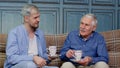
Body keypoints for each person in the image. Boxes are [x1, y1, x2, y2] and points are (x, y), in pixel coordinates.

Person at [4, 4, 56, 68]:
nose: (38, 20)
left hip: (36, 66)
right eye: (35, 17)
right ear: (26, 18)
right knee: (30, 65)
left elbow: (43, 57)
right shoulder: (14, 33)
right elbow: (11, 58)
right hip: (17, 65)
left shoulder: (40, 33)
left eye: (39, 17)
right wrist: (33, 58)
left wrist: (49, 58)